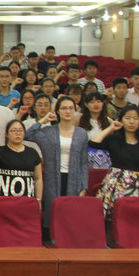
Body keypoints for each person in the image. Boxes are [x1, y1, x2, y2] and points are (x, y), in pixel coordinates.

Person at [24, 96, 89, 231]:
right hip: (52, 178)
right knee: (53, 213)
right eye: (64, 108)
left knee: (71, 215)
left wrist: (84, 186)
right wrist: (43, 120)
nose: (68, 111)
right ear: (57, 111)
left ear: (75, 110)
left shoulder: (82, 133)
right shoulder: (48, 132)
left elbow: (84, 162)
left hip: (74, 179)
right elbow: (28, 134)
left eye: (71, 108)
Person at [89, 104, 139, 217]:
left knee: (132, 219)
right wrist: (111, 128)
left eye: (135, 118)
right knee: (110, 220)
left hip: (136, 187)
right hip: (113, 186)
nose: (131, 122)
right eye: (128, 118)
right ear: (121, 120)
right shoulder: (114, 139)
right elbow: (93, 142)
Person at [0, 121, 43, 204]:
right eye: (13, 130)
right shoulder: (0, 151)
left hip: (26, 202)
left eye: (20, 130)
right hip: (3, 201)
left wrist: (38, 199)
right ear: (7, 134)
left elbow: (38, 178)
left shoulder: (32, 153)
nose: (17, 133)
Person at [79, 91, 113, 169]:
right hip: (85, 157)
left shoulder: (109, 122)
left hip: (104, 159)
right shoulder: (79, 119)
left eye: (99, 101)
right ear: (86, 104)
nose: (96, 104)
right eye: (92, 102)